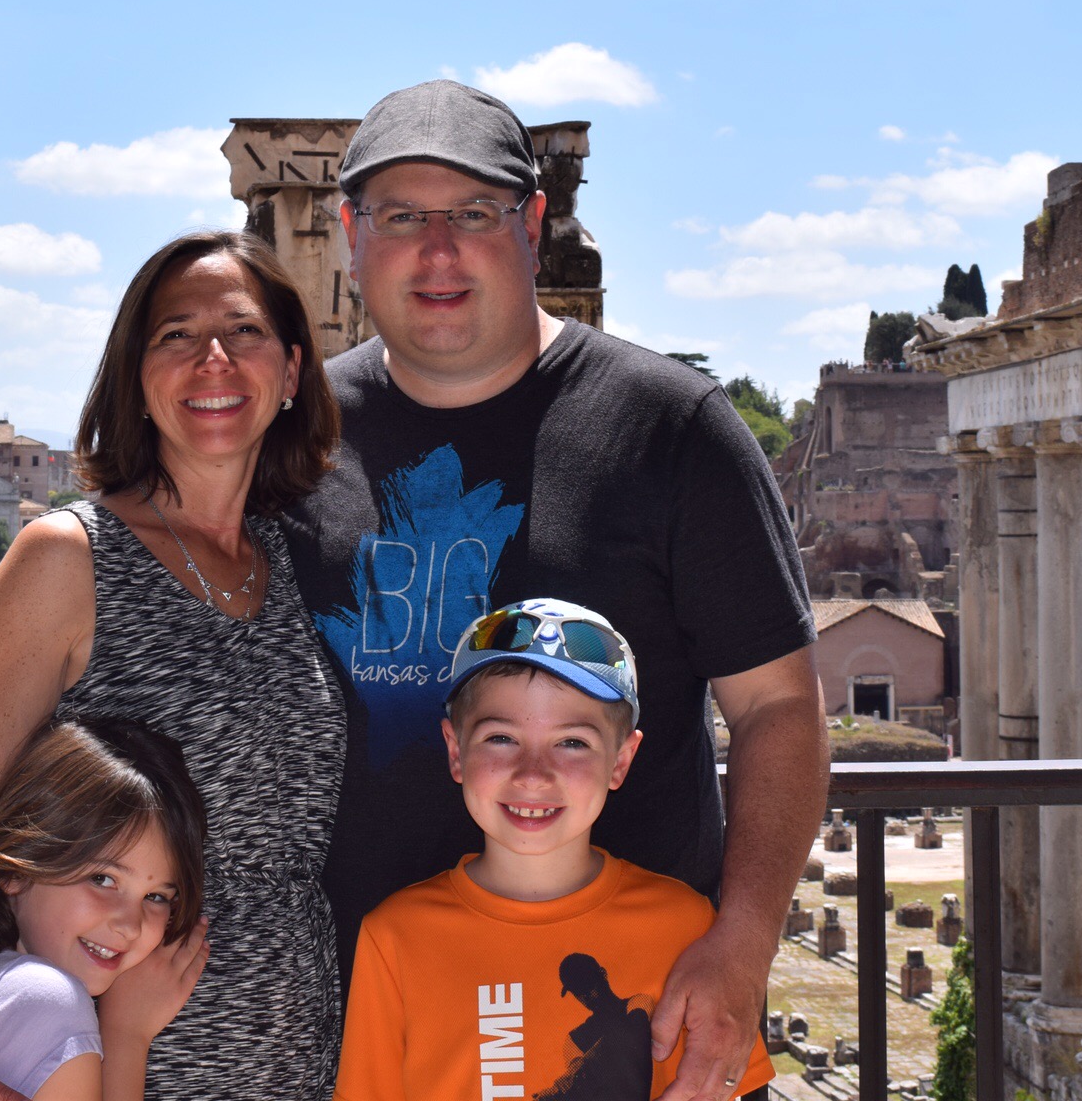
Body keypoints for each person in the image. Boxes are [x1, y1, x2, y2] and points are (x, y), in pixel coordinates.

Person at [282, 80, 828, 1101]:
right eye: (400, 218)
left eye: (473, 213)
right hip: (377, 1032)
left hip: (647, 1040)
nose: (437, 252)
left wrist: (744, 944)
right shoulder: (294, 442)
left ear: (531, 226)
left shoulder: (674, 428)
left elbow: (779, 708)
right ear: (352, 237)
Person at [0, 229, 347, 1101]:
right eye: (176, 335)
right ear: (136, 378)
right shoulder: (66, 560)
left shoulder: (299, 560)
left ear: (290, 373)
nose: (212, 358)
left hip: (307, 1066)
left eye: (243, 331)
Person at [333, 600, 774, 1100]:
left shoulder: (687, 926)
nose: (533, 774)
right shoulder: (394, 937)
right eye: (502, 738)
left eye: (572, 743)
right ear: (456, 750)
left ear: (621, 760)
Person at [0, 716, 210, 1101]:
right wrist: (126, 1035)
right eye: (102, 879)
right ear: (16, 869)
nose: (131, 926)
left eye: (156, 897)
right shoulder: (48, 1000)